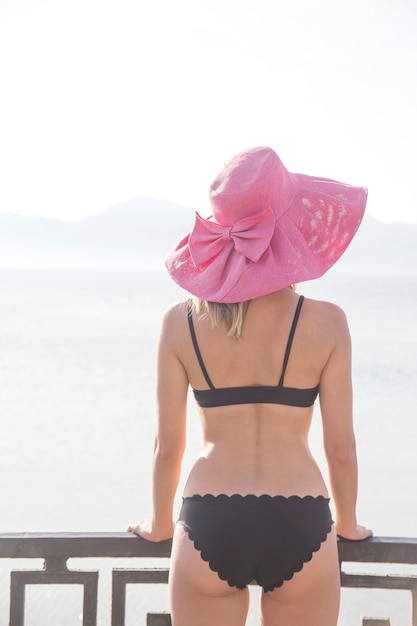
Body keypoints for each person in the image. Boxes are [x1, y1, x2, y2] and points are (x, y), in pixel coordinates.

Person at [128, 146, 373, 626]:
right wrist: (347, 524)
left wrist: (159, 524)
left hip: (208, 519)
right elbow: (340, 447)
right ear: (290, 230)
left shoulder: (179, 324)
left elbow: (168, 447)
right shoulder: (327, 323)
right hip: (301, 518)